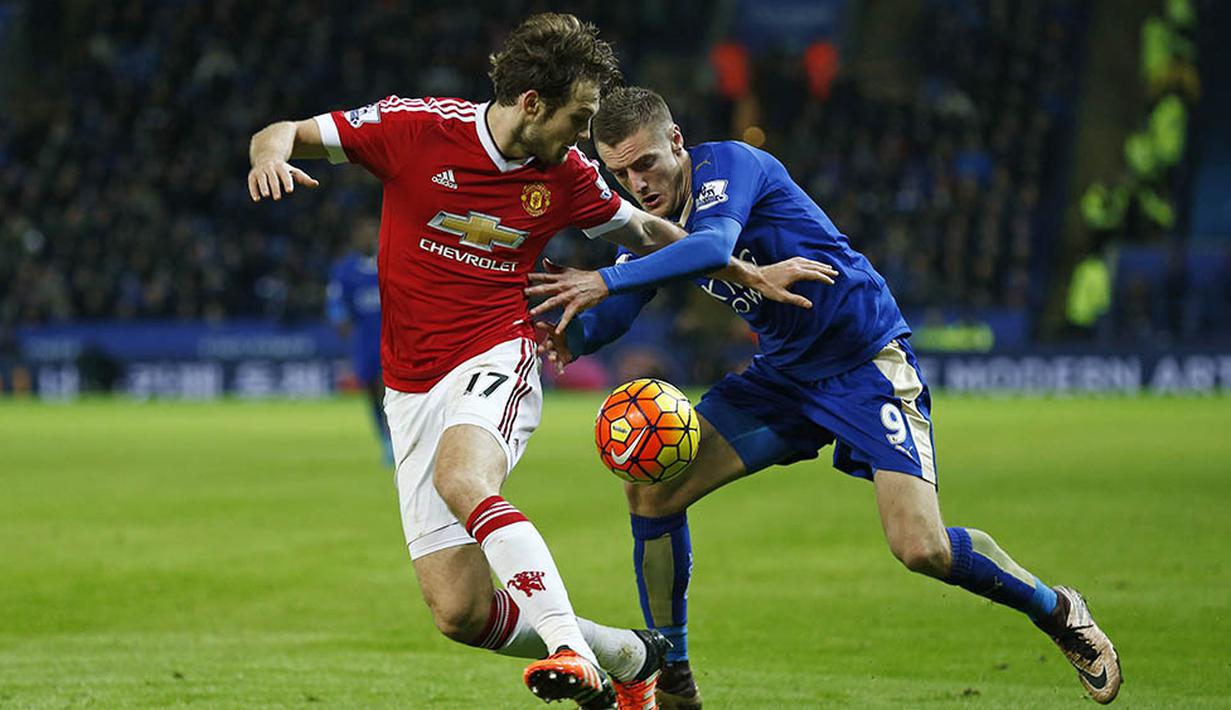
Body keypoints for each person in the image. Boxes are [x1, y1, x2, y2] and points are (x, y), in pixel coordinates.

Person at [247, 15, 825, 709]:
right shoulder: (416, 128)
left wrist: (741, 270)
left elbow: (645, 230)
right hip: (409, 384)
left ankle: (569, 650)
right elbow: (283, 131)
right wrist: (267, 159)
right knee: (459, 612)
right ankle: (630, 656)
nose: (583, 139)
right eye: (578, 118)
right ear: (531, 104)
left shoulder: (568, 176)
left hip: (496, 349)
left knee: (463, 478)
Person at [530, 86, 1122, 707]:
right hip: (783, 376)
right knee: (651, 491)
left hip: (863, 361)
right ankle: (672, 671)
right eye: (620, 173)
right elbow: (617, 308)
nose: (637, 184)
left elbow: (710, 247)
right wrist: (570, 334)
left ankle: (1058, 610)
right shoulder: (648, 224)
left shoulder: (728, 165)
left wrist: (603, 277)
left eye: (646, 163)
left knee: (921, 547)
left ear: (676, 142)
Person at [326, 217, 394, 466]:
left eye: (372, 232)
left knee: (388, 390)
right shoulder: (345, 270)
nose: (368, 237)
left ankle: (395, 439)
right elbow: (336, 301)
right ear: (356, 238)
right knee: (373, 393)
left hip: (394, 338)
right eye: (363, 233)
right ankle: (386, 440)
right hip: (365, 341)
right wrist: (340, 321)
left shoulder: (390, 261)